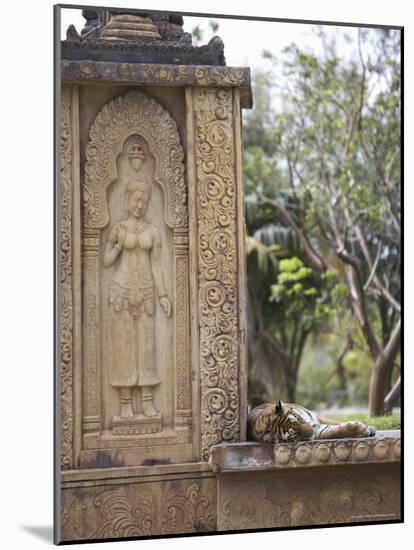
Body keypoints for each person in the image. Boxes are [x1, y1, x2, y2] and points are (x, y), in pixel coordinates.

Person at [103, 172, 171, 420]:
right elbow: (106, 260)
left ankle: (147, 402)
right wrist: (119, 244)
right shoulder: (118, 228)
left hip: (146, 293)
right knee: (123, 348)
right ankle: (124, 405)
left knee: (147, 347)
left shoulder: (153, 232)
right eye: (136, 200)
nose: (140, 205)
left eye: (144, 201)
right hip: (120, 291)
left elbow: (156, 265)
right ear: (127, 199)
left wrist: (163, 295)